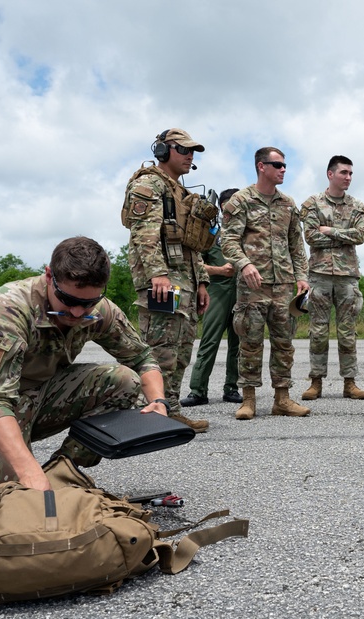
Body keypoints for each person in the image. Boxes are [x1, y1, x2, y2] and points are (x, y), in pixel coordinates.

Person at [0, 236, 168, 513]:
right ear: (48, 276)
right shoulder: (5, 311)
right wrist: (29, 472)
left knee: (124, 381)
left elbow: (141, 357)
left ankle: (61, 473)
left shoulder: (100, 311)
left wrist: (159, 402)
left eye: (89, 302)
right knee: (4, 504)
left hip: (36, 393)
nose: (78, 312)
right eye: (67, 300)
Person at [122, 128, 212, 432]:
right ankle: (147, 408)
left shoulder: (180, 192)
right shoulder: (149, 184)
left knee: (182, 347)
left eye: (192, 152)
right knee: (159, 347)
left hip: (184, 280)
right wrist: (157, 275)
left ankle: (170, 407)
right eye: (183, 150)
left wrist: (201, 282)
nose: (190, 156)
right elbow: (144, 234)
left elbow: (192, 245)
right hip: (163, 280)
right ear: (163, 151)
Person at [220, 146, 311, 420]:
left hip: (283, 285)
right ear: (262, 166)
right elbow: (228, 240)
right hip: (253, 286)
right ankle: (248, 400)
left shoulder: (288, 204)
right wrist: (245, 264)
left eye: (285, 165)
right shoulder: (241, 201)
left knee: (284, 343)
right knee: (250, 341)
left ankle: (282, 398)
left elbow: (296, 244)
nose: (283, 169)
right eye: (278, 165)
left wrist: (302, 276)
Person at [300, 155, 364, 402]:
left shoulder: (358, 207)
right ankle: (316, 382)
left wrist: (330, 230)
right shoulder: (312, 204)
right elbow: (310, 236)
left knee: (347, 331)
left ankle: (350, 382)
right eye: (343, 172)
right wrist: (344, 236)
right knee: (318, 331)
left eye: (351, 173)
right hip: (319, 275)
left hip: (347, 276)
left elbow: (360, 235)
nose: (348, 177)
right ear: (330, 174)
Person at [180, 188, 243, 407]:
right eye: (231, 203)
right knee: (209, 341)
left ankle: (232, 388)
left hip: (242, 291)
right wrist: (218, 270)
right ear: (223, 206)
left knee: (238, 344)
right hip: (217, 291)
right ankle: (198, 391)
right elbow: (195, 263)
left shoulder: (246, 232)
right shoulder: (210, 231)